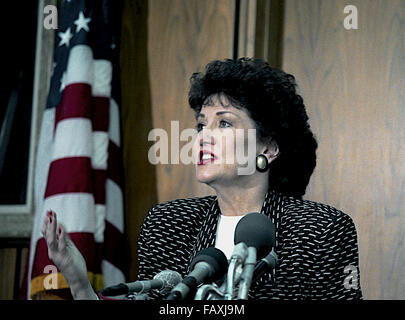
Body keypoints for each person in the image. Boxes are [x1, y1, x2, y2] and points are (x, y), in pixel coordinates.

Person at [42, 57, 362, 300]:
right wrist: (80, 284)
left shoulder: (323, 231)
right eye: (201, 125)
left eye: (224, 124)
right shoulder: (167, 224)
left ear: (269, 146)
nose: (203, 137)